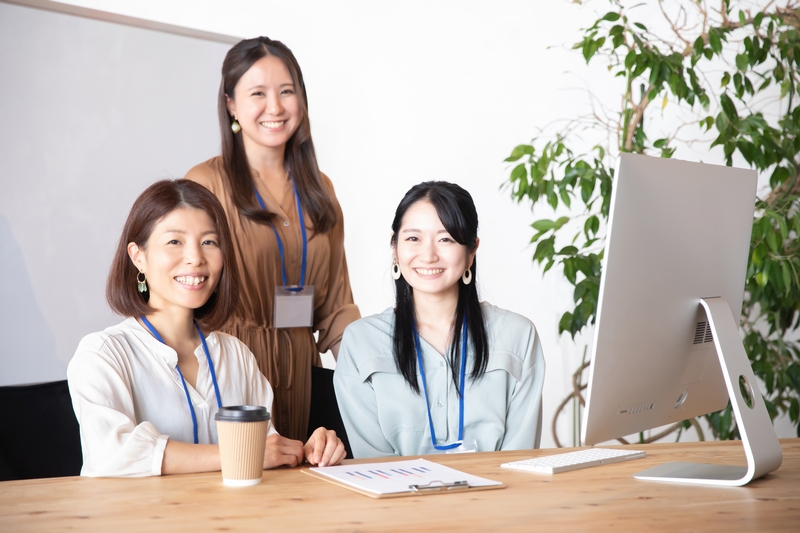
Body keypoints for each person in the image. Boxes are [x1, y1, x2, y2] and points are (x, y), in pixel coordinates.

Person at [67, 180, 345, 477]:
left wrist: (310, 450)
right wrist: (244, 452)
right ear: (138, 257)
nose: (196, 258)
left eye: (209, 242)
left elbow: (267, 452)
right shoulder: (103, 355)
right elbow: (113, 454)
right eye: (175, 242)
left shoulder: (236, 354)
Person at [185, 37, 359, 443]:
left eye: (286, 91)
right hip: (231, 370)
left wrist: (375, 377)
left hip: (302, 372)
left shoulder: (320, 189)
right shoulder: (206, 184)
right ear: (231, 104)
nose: (276, 107)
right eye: (258, 93)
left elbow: (336, 308)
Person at [334, 181, 546, 458]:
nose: (428, 255)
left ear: (471, 251)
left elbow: (519, 461)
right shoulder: (361, 341)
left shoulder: (518, 335)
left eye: (445, 239)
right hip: (393, 488)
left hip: (498, 487)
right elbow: (373, 465)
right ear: (394, 247)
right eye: (413, 238)